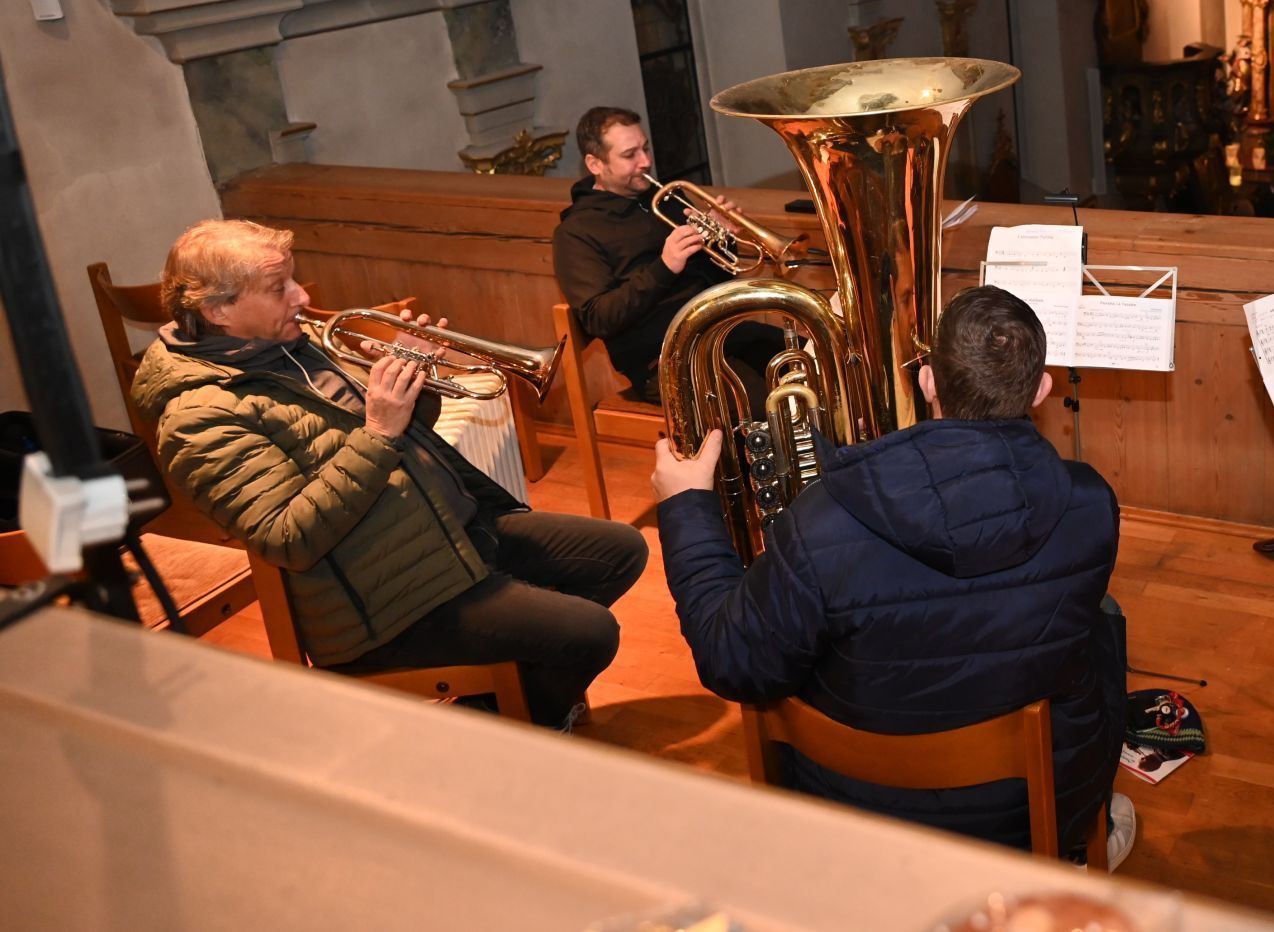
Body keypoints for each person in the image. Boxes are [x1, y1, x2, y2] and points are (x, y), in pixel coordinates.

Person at [651, 285, 1132, 865]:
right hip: (1033, 808)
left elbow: (732, 662)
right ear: (1042, 388)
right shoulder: (1090, 502)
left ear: (926, 381)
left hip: (855, 803)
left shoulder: (821, 517)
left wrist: (686, 509)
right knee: (1104, 625)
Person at [131, 219, 648, 729]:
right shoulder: (196, 419)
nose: (301, 299)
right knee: (590, 633)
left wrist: (412, 383)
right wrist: (377, 430)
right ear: (217, 309)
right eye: (278, 288)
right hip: (385, 600)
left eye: (292, 279)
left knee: (621, 551)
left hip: (449, 531)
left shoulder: (294, 341)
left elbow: (408, 431)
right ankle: (509, 722)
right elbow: (287, 538)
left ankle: (507, 694)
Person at [553, 105, 779, 404]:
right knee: (754, 400)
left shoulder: (668, 198)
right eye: (629, 154)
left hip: (719, 333)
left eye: (645, 148)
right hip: (663, 359)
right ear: (595, 163)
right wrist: (665, 266)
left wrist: (720, 240)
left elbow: (718, 278)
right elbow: (599, 318)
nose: (645, 161)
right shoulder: (576, 232)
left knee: (808, 358)